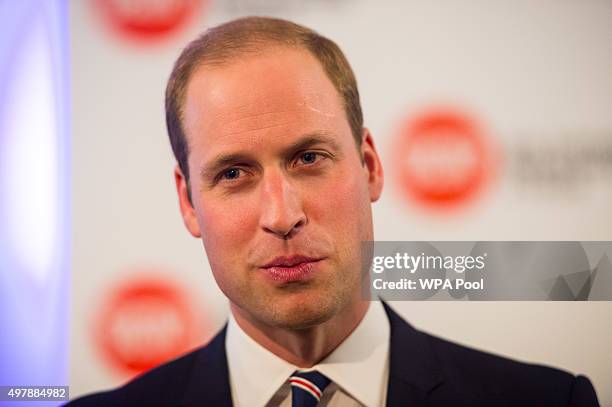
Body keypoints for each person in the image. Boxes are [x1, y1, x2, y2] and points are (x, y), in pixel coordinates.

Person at [67, 17, 600, 407]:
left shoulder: (549, 401)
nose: (281, 215)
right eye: (233, 174)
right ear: (188, 202)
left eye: (308, 158)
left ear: (369, 166)